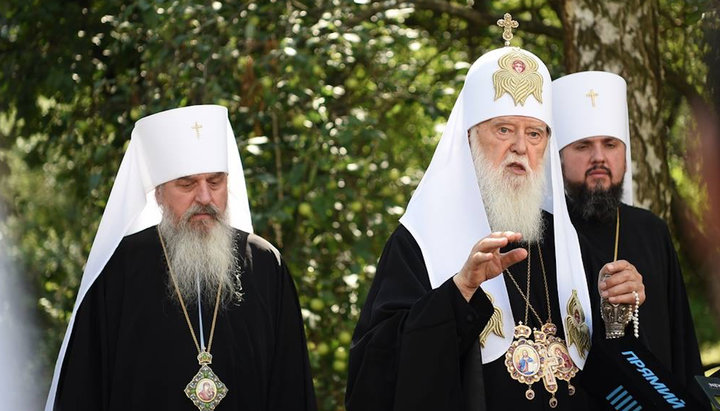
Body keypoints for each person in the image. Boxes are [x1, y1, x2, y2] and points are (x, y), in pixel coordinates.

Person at [345, 15, 644, 411]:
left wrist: (617, 312)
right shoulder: (419, 242)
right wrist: (459, 292)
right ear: (470, 137)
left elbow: (609, 373)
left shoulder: (565, 241)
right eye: (504, 130)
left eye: (534, 134)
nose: (521, 147)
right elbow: (374, 373)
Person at [45, 105, 317, 410]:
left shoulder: (266, 266)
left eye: (215, 182)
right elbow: (85, 391)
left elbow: (291, 387)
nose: (204, 198)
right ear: (159, 192)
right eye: (186, 184)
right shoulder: (118, 271)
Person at [553, 71, 704, 397]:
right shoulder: (545, 235)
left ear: (624, 154)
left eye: (610, 144)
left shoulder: (651, 230)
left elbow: (681, 341)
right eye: (583, 146)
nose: (599, 157)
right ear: (560, 158)